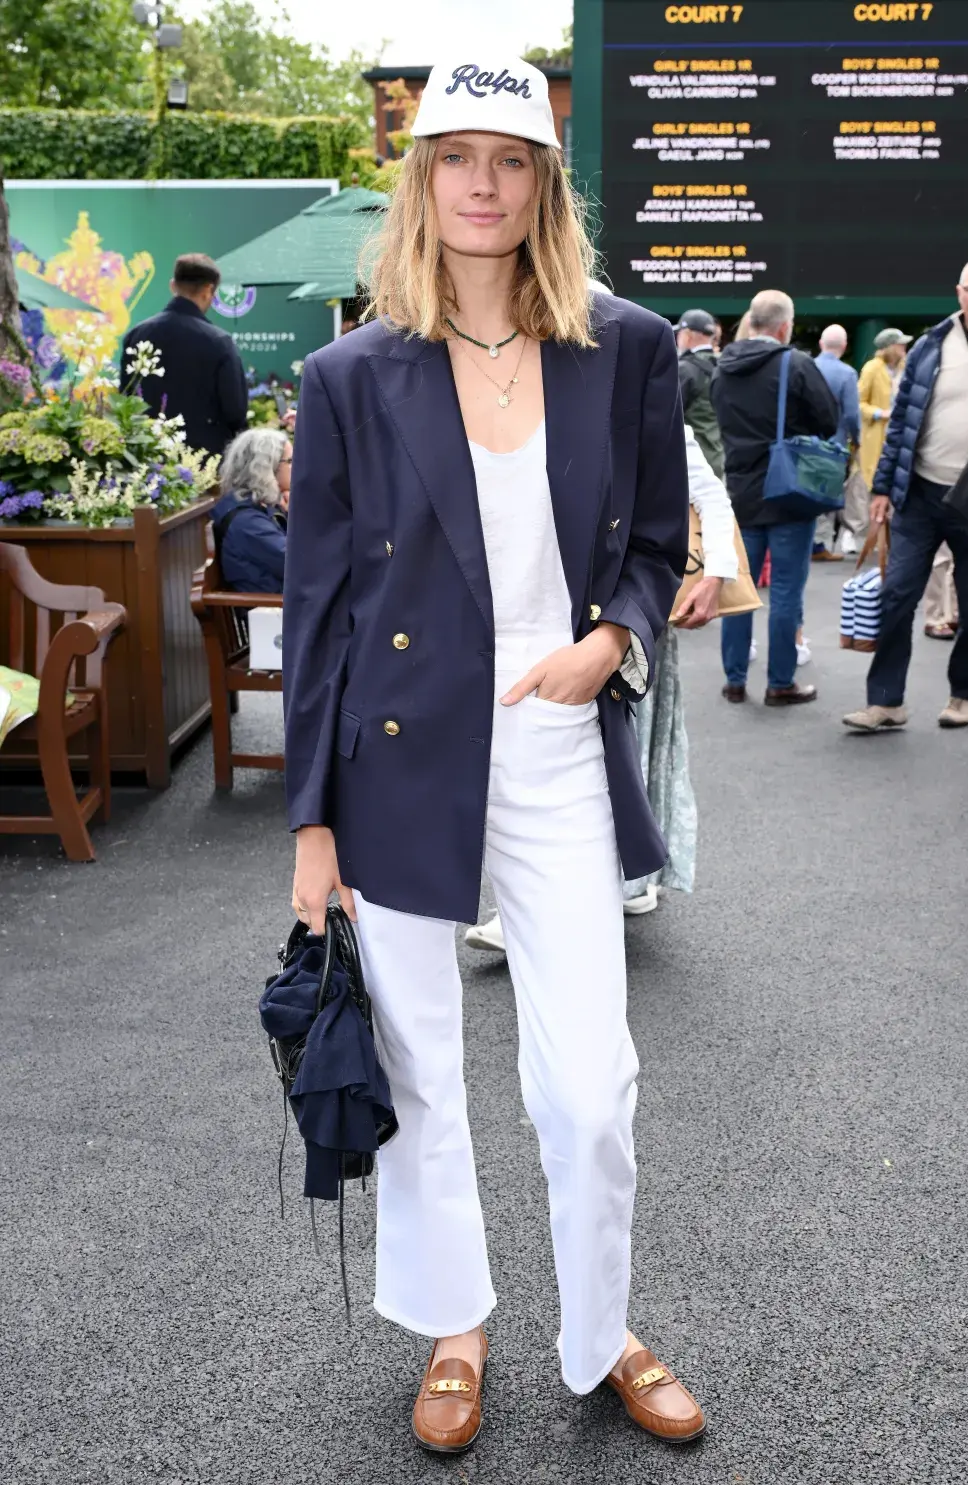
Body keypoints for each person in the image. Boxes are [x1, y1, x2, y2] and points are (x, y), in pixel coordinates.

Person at [283, 55, 702, 1453]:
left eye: (508, 158)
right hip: (396, 756)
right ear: (421, 179)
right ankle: (456, 1325)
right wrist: (310, 826)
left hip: (553, 738)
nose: (480, 183)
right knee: (416, 1072)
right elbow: (323, 607)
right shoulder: (348, 374)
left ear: (542, 183)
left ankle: (602, 1330)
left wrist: (609, 643)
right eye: (454, 155)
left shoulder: (629, 346)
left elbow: (651, 548)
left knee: (591, 1083)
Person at [466, 418, 737, 953]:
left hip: (632, 613)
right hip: (565, 614)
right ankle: (587, 889)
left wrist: (716, 575)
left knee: (620, 750)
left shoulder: (633, 391)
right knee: (580, 753)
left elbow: (709, 494)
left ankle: (605, 886)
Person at [843, 255, 968, 733]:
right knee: (897, 595)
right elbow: (902, 422)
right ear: (959, 292)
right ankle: (887, 702)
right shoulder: (930, 345)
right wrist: (883, 487)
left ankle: (963, 693)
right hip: (921, 495)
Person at [711, 288, 838, 706]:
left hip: (741, 493)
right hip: (789, 493)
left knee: (738, 589)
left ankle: (734, 679)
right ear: (784, 326)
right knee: (785, 591)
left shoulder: (722, 367)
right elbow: (828, 419)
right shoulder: (795, 364)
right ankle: (780, 683)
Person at [120, 253, 248, 456]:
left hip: (145, 459)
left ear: (173, 286)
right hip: (203, 464)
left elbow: (125, 400)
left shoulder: (137, 334)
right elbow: (235, 412)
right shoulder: (219, 342)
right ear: (208, 290)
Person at [211, 428, 291, 593]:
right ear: (267, 467)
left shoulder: (261, 505)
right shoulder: (247, 522)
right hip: (271, 613)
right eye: (290, 461)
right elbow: (302, 564)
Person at [812, 324, 861, 560]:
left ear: (821, 344)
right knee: (828, 494)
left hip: (807, 442)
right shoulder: (847, 374)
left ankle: (810, 542)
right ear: (844, 347)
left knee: (807, 489)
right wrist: (858, 440)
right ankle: (820, 545)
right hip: (835, 444)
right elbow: (852, 414)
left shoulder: (806, 366)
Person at [858, 328, 912, 489]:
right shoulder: (872, 368)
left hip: (901, 433)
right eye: (900, 344)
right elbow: (859, 402)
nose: (904, 347)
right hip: (877, 435)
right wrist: (879, 413)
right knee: (872, 480)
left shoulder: (907, 367)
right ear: (890, 347)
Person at [674, 308, 724, 478]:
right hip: (720, 459)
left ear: (686, 335)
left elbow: (670, 416)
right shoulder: (725, 365)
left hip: (693, 463)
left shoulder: (684, 369)